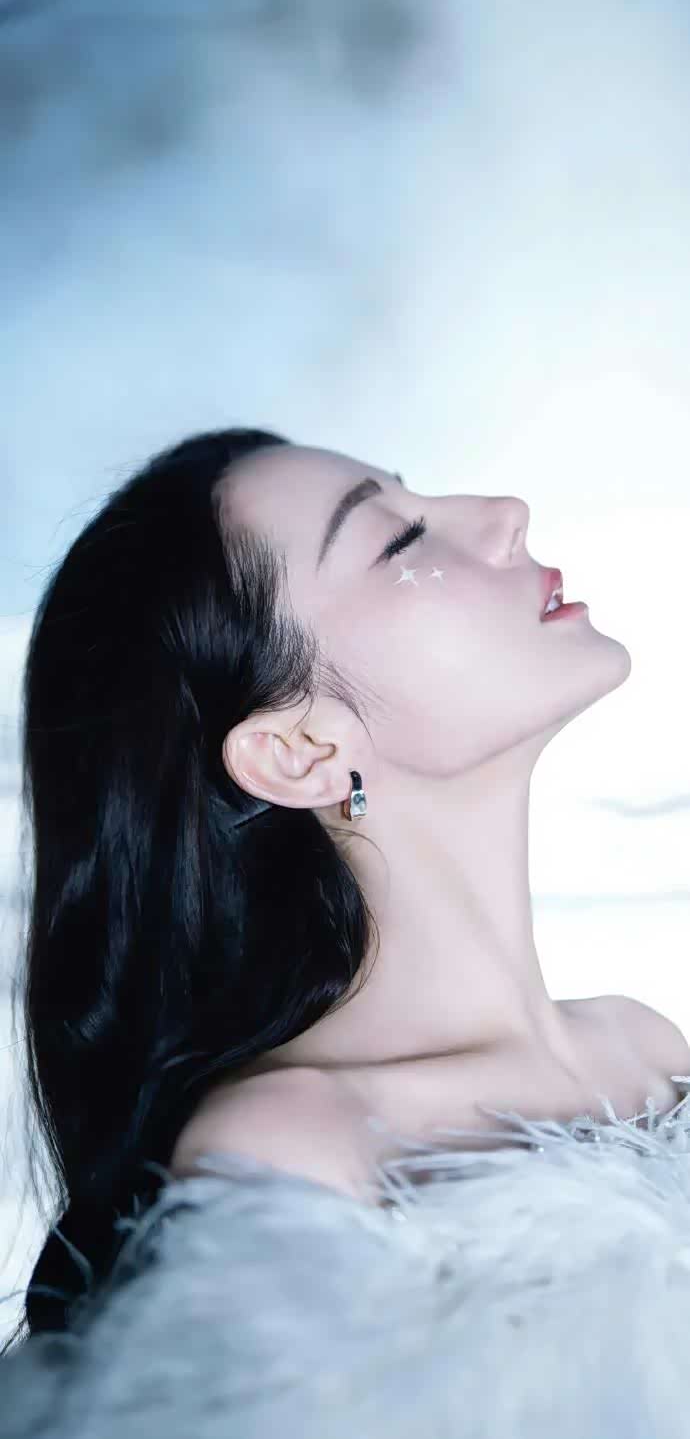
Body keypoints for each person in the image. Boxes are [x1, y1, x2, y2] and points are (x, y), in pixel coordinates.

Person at [2, 425, 683, 1355]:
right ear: (300, 751)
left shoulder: (644, 1048)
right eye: (399, 540)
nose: (504, 514)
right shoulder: (291, 1151)